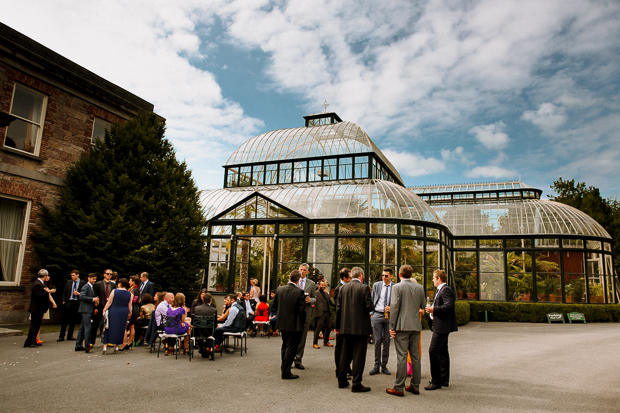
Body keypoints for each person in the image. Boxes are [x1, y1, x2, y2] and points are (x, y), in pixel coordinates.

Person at [386, 265, 426, 397]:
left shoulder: (396, 287)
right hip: (415, 326)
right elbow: (423, 306)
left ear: (399, 274)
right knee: (415, 357)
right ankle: (415, 386)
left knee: (402, 356)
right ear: (411, 274)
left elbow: (395, 307)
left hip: (401, 327)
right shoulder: (420, 288)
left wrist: (391, 326)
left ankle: (399, 387)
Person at [335, 266, 374, 392]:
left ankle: (342, 380)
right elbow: (369, 307)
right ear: (361, 275)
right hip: (360, 328)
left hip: (345, 326)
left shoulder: (342, 288)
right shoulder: (364, 288)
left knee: (344, 354)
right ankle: (356, 383)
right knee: (359, 356)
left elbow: (338, 309)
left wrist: (337, 326)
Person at [424, 269, 458, 391]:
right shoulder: (441, 290)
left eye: (434, 277)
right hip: (441, 324)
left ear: (439, 278)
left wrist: (434, 309)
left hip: (442, 326)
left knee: (433, 351)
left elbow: (449, 306)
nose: (432, 280)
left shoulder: (445, 289)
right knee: (443, 352)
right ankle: (443, 379)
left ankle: (436, 381)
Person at [271, 270, 306, 380]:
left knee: (284, 345)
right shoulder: (299, 292)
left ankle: (284, 367)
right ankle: (286, 371)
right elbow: (302, 310)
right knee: (292, 347)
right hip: (294, 323)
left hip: (282, 322)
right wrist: (303, 322)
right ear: (297, 280)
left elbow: (274, 305)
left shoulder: (280, 290)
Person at [370, 268, 395, 375]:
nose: (384, 277)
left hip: (389, 316)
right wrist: (371, 313)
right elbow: (372, 299)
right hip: (377, 314)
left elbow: (398, 302)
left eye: (386, 276)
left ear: (391, 276)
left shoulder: (395, 287)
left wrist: (392, 308)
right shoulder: (377, 285)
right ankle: (376, 365)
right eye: (383, 275)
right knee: (377, 340)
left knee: (387, 341)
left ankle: (384, 365)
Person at [294, 263, 316, 370]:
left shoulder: (312, 284)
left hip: (306, 314)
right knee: (293, 338)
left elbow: (315, 298)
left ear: (307, 272)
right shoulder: (293, 283)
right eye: (300, 269)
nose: (302, 271)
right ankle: (290, 358)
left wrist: (310, 300)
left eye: (304, 270)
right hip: (294, 314)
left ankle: (298, 360)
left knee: (302, 338)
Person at [101, 278, 132, 354]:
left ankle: (105, 346)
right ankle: (117, 346)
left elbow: (109, 302)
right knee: (120, 328)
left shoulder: (114, 291)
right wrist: (130, 313)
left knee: (109, 327)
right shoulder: (129, 293)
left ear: (120, 283)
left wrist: (104, 309)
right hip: (124, 311)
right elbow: (130, 305)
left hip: (114, 310)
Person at [24, 269, 52, 348]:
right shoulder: (37, 284)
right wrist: (47, 292)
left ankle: (33, 341)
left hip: (39, 309)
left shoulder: (40, 283)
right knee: (34, 326)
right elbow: (37, 296)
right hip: (36, 309)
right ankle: (29, 342)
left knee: (36, 326)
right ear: (45, 276)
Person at [334, 268, 352, 377]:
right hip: (341, 322)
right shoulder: (338, 288)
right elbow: (338, 307)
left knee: (348, 347)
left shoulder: (348, 287)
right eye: (350, 277)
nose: (351, 279)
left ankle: (346, 367)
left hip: (348, 322)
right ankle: (339, 369)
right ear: (344, 278)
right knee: (340, 347)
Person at [75, 273, 99, 352]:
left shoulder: (91, 287)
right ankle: (87, 345)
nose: (94, 280)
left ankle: (78, 345)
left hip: (88, 309)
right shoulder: (86, 286)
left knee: (82, 328)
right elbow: (82, 296)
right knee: (88, 327)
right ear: (88, 278)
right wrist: (93, 299)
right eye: (93, 279)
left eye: (95, 279)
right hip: (86, 310)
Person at [58, 270, 85, 342]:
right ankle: (61, 336)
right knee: (64, 320)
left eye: (73, 275)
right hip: (69, 301)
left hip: (76, 302)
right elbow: (64, 291)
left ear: (77, 275)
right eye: (71, 275)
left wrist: (79, 294)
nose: (72, 277)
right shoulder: (69, 282)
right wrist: (64, 300)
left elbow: (83, 292)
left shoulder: (82, 283)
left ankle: (70, 335)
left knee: (73, 320)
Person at [92, 269, 116, 345]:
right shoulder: (98, 284)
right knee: (95, 324)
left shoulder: (113, 285)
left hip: (110, 306)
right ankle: (91, 341)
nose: (109, 275)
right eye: (108, 274)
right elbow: (95, 295)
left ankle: (108, 341)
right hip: (100, 306)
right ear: (104, 274)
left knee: (109, 324)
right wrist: (95, 307)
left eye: (111, 274)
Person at [193, 293, 217, 357]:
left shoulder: (197, 309)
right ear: (210, 300)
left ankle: (202, 347)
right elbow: (215, 324)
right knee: (216, 332)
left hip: (199, 331)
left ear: (203, 300)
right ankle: (209, 348)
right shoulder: (213, 310)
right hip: (209, 331)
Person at [313, 280, 334, 349]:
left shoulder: (326, 294)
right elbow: (312, 301)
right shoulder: (315, 293)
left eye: (324, 285)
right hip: (319, 313)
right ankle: (315, 343)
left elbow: (331, 303)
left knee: (329, 327)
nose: (323, 286)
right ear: (318, 285)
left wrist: (339, 305)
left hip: (327, 313)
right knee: (318, 328)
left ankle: (326, 341)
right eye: (322, 285)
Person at [127, 276, 141, 347]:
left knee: (130, 325)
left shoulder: (133, 290)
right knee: (132, 326)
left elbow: (132, 300)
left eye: (130, 281)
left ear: (134, 282)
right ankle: (130, 341)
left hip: (132, 308)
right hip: (136, 308)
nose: (129, 282)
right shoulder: (138, 290)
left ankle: (129, 341)